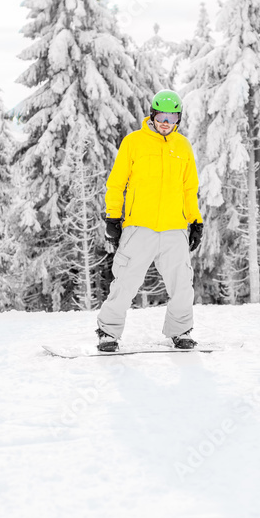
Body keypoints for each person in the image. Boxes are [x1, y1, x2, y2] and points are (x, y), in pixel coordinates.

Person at [96, 90, 204, 352]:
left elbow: (190, 189)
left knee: (182, 283)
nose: (165, 121)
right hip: (139, 226)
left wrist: (195, 221)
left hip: (174, 228)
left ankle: (180, 331)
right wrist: (113, 215)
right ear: (153, 114)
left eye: (172, 116)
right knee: (125, 281)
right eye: (161, 115)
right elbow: (116, 182)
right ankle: (108, 333)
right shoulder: (134, 142)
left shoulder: (183, 146)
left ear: (178, 119)